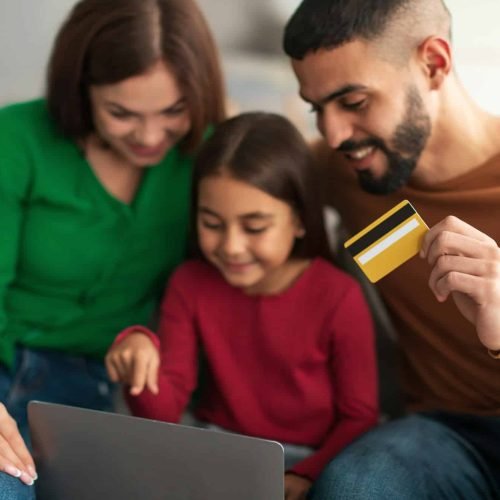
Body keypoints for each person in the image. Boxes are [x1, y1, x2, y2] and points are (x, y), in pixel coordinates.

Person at [0, 0, 225, 496]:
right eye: (121, 113)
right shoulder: (15, 140)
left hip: (104, 393)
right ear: (81, 90)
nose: (149, 137)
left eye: (174, 111)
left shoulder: (211, 155)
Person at [283, 0, 500, 498]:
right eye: (318, 108)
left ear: (434, 64)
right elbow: (246, 168)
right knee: (354, 485)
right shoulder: (349, 168)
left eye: (354, 103)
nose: (334, 134)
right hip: (443, 434)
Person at [105, 112, 379, 500]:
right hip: (218, 453)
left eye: (254, 228)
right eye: (212, 223)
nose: (231, 246)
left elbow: (359, 417)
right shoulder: (190, 283)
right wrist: (140, 353)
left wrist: (304, 475)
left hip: (311, 461)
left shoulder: (339, 297)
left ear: (299, 220)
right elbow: (163, 416)